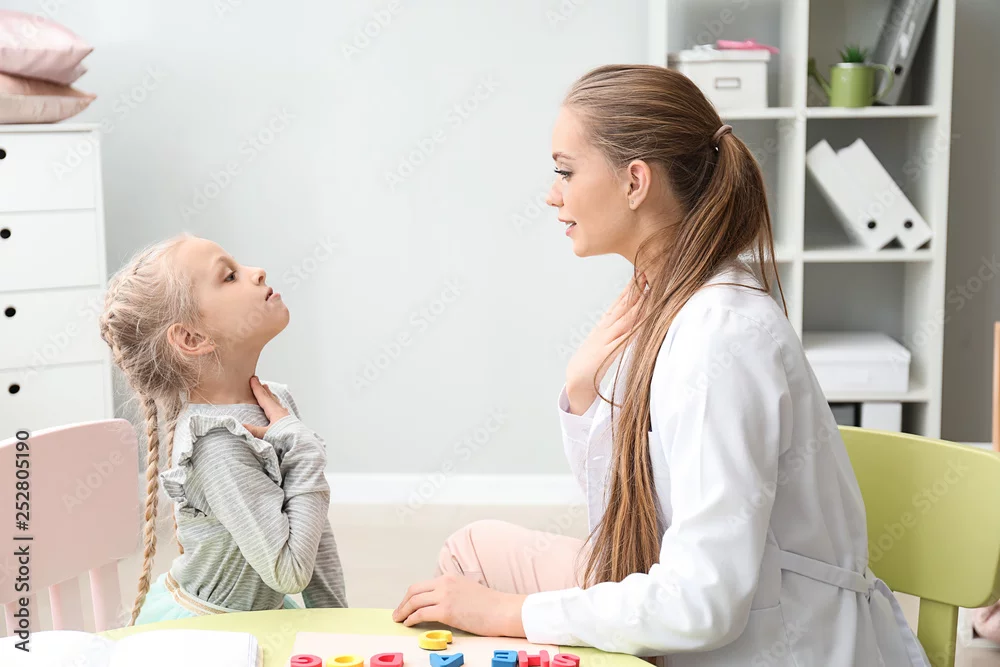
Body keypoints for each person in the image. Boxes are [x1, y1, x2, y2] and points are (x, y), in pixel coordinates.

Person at [393, 64, 930, 666]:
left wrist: (510, 614)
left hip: (772, 645)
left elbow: (703, 602)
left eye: (565, 171)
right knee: (471, 552)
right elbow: (630, 518)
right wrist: (583, 389)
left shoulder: (722, 338)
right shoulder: (674, 301)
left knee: (481, 597)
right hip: (719, 598)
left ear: (635, 182)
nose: (552, 194)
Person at [99, 234, 347, 625]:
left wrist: (338, 622)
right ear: (192, 338)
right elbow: (290, 571)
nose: (257, 271)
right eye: (229, 276)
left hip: (258, 615)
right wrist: (304, 450)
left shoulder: (273, 404)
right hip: (212, 630)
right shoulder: (216, 444)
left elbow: (310, 526)